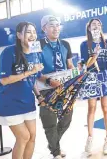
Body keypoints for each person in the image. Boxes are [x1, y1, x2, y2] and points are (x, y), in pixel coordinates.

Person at [0, 22, 44, 159]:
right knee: (23, 137)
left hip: (28, 102)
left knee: (32, 136)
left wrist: (39, 96)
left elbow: (34, 79)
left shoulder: (36, 54)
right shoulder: (9, 52)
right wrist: (29, 72)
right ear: (19, 35)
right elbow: (4, 80)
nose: (32, 35)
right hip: (9, 102)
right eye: (28, 32)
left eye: (34, 32)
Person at [38, 15, 75, 159]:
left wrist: (75, 76)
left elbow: (70, 65)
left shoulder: (65, 44)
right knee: (50, 122)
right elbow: (35, 70)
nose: (56, 28)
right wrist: (49, 81)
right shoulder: (38, 45)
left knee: (67, 118)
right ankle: (56, 152)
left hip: (65, 87)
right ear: (44, 28)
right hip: (46, 88)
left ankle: (53, 144)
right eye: (52, 25)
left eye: (58, 25)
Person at [80, 18, 107, 156]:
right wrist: (95, 55)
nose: (96, 26)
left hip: (105, 76)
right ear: (89, 28)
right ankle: (90, 137)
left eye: (99, 24)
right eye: (94, 24)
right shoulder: (84, 44)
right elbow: (86, 65)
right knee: (91, 107)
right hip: (91, 77)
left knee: (106, 107)